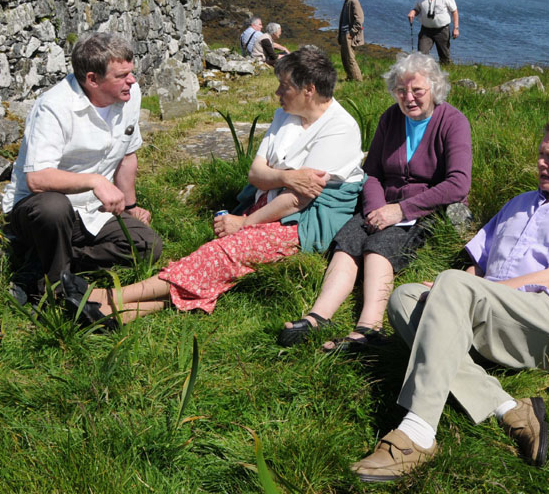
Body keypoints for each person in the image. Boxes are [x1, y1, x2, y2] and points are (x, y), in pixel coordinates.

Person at [350, 112, 549, 482]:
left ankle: (417, 433)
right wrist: (450, 293)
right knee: (405, 298)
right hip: (493, 313)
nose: (541, 163)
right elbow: (478, 268)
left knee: (452, 285)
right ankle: (507, 408)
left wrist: (461, 291)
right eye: (540, 154)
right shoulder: (519, 203)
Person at [85, 48, 365, 323]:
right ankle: (122, 314)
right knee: (223, 260)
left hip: (306, 220)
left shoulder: (340, 128)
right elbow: (255, 173)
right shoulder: (286, 115)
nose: (278, 93)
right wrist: (287, 178)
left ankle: (108, 297)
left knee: (222, 253)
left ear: (309, 90)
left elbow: (297, 200)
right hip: (274, 202)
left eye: (285, 86)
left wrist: (244, 223)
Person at [278, 53, 472, 352]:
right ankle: (317, 317)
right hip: (382, 204)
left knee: (380, 246)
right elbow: (371, 173)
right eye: (401, 91)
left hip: (423, 210)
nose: (409, 98)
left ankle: (369, 329)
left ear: (434, 88)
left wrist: (400, 211)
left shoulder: (453, 121)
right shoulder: (390, 118)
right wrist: (375, 209)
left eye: (417, 90)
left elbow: (458, 184)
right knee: (348, 241)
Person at [3, 32, 162, 304]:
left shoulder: (129, 95)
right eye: (122, 75)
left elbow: (126, 155)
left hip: (94, 211)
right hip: (40, 211)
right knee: (53, 207)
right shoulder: (54, 106)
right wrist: (96, 181)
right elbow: (37, 179)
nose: (132, 81)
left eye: (131, 72)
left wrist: (131, 206)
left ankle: (47, 263)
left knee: (148, 246)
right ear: (92, 79)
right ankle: (55, 291)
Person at [407, 0, 459, 65]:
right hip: (426, 31)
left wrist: (456, 28)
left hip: (442, 30)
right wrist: (413, 12)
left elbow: (454, 11)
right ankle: (424, 73)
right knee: (421, 56)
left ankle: (446, 71)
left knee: (444, 57)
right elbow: (417, 8)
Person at [335, 0, 364, 82]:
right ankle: (350, 77)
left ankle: (358, 80)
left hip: (349, 35)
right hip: (344, 34)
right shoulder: (347, 1)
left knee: (350, 59)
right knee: (345, 58)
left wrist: (351, 34)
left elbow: (359, 19)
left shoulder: (353, 1)